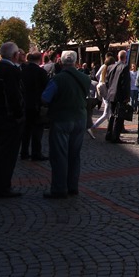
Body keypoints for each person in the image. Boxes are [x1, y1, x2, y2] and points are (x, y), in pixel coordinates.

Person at [41, 50, 89, 199]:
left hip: (62, 119)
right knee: (75, 155)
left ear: (61, 62)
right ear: (75, 62)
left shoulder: (58, 79)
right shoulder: (85, 78)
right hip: (80, 119)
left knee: (59, 155)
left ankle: (59, 188)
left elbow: (45, 98)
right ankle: (73, 186)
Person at [0, 42, 25, 199]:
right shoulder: (12, 71)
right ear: (15, 55)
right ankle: (2, 187)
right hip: (10, 119)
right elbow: (16, 96)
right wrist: (18, 115)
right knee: (7, 154)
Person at [20, 52, 49, 161]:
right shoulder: (41, 72)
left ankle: (24, 152)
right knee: (37, 130)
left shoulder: (23, 71)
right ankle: (36, 153)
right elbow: (46, 87)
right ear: (39, 59)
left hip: (24, 104)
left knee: (26, 129)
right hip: (36, 104)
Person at [104, 50, 131, 143]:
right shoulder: (124, 67)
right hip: (120, 95)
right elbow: (125, 84)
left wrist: (110, 90)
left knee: (112, 115)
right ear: (125, 57)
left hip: (111, 94)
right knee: (119, 116)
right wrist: (127, 96)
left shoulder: (110, 67)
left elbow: (107, 81)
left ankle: (109, 134)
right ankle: (115, 136)